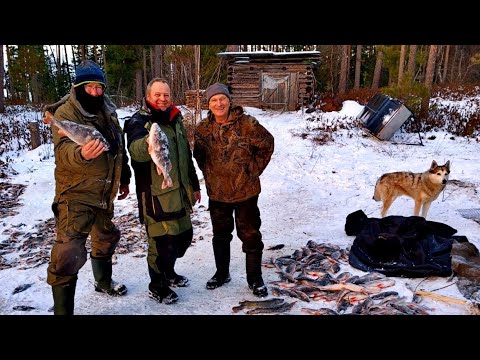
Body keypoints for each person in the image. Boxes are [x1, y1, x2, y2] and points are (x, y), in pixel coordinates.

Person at [43, 60, 132, 315]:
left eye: (99, 87)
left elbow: (118, 148)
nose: (95, 92)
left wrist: (123, 177)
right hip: (77, 194)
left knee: (105, 238)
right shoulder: (65, 114)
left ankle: (103, 282)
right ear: (78, 86)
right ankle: (63, 310)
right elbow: (63, 152)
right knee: (67, 253)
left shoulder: (109, 111)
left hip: (105, 191)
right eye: (89, 87)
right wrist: (82, 153)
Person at [123, 78, 201, 305]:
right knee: (161, 243)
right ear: (148, 96)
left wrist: (194, 185)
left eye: (166, 94)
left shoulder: (175, 119)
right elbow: (136, 152)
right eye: (157, 94)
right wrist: (149, 143)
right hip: (155, 196)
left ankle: (169, 272)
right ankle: (157, 285)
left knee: (183, 238)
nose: (162, 98)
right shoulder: (139, 121)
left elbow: (185, 155)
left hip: (179, 192)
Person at [193, 83, 274, 297]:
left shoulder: (248, 124)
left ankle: (255, 279)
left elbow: (267, 144)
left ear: (229, 100)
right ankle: (222, 273)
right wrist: (212, 173)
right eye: (213, 100)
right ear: (208, 104)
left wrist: (253, 169)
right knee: (220, 235)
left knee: (250, 235)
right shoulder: (202, 129)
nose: (219, 103)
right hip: (217, 194)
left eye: (222, 99)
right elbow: (199, 156)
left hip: (245, 192)